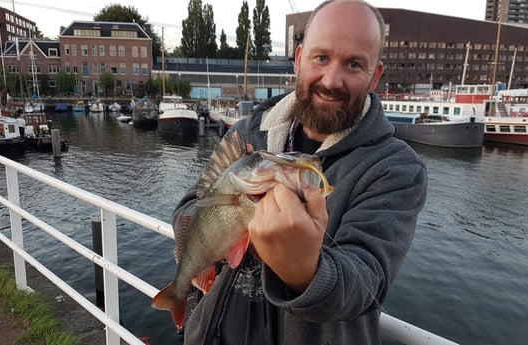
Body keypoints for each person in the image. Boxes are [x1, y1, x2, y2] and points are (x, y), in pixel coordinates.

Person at [170, 1, 428, 344]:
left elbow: (365, 283)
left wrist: (303, 268)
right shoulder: (247, 133)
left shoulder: (395, 169)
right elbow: (191, 205)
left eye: (353, 64)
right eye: (321, 58)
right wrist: (218, 230)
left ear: (375, 76)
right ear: (299, 59)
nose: (332, 80)